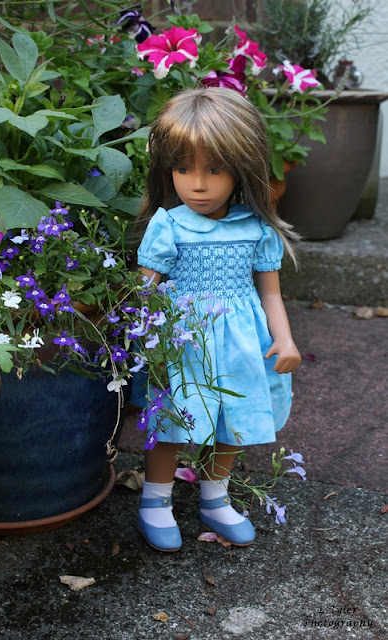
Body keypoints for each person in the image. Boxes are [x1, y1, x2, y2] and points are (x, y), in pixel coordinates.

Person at [135, 86, 301, 552]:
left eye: (214, 169)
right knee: (173, 421)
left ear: (243, 168)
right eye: (183, 168)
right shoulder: (169, 225)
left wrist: (285, 340)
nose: (198, 185)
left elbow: (270, 292)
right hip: (183, 342)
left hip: (243, 343)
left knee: (233, 418)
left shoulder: (256, 228)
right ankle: (155, 500)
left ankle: (215, 497)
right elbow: (143, 292)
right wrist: (144, 336)